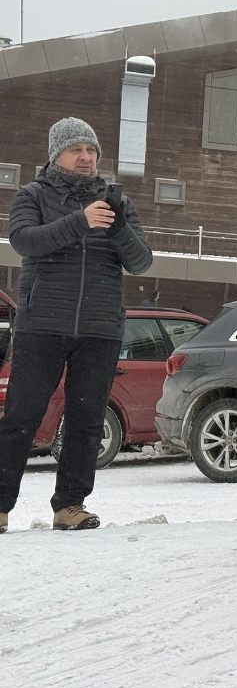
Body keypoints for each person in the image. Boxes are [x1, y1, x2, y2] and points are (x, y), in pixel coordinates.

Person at [0, 117, 153, 533]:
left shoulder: (116, 202)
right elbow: (24, 240)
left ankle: (70, 506)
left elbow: (141, 262)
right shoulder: (33, 195)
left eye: (92, 151)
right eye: (76, 150)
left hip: (100, 329)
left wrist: (118, 226)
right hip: (41, 325)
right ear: (56, 155)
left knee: (86, 421)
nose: (86, 158)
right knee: (21, 417)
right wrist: (81, 221)